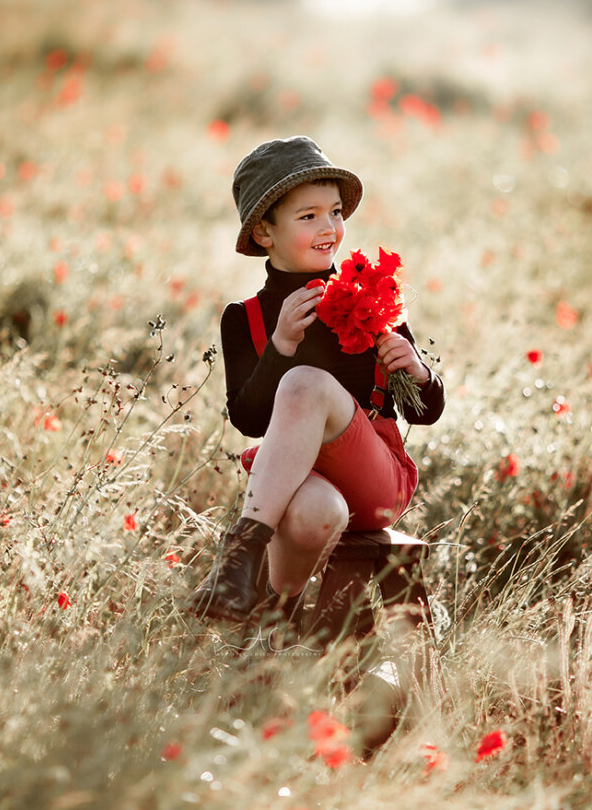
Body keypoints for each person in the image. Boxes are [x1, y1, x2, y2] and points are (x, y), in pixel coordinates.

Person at [189, 136, 445, 626]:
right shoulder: (245, 318)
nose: (329, 228)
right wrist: (279, 345)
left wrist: (415, 369)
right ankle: (276, 621)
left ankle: (240, 554)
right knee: (314, 514)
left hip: (375, 476)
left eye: (335, 213)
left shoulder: (370, 293)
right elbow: (248, 420)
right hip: (302, 481)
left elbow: (425, 412)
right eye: (308, 217)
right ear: (264, 232)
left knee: (307, 384)